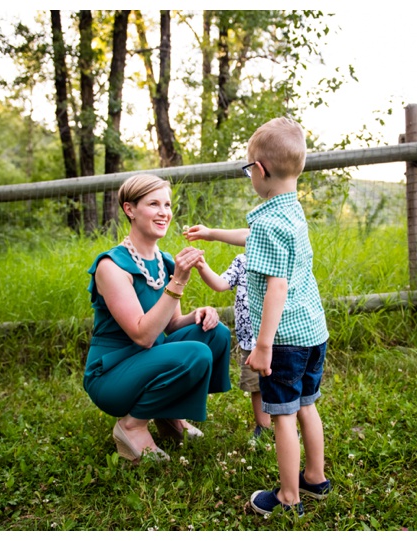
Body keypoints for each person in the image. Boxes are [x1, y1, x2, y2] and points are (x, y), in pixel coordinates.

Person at [83, 174, 232, 464]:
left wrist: (197, 315)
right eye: (153, 204)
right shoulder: (111, 266)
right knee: (195, 352)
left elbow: (171, 325)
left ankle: (168, 413)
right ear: (130, 209)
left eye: (167, 204)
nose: (164, 212)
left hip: (148, 359)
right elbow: (143, 335)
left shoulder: (163, 260)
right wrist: (178, 282)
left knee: (215, 334)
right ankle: (132, 425)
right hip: (113, 374)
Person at [241, 117, 332, 516]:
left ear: (259, 170)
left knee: (282, 417)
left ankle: (288, 496)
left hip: (284, 341)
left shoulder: (266, 222)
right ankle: (315, 477)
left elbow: (276, 285)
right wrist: (212, 233)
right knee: (307, 406)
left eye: (248, 169)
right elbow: (256, 241)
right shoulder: (291, 212)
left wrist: (263, 346)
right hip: (313, 331)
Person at [184, 225, 272, 441]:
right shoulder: (242, 262)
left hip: (278, 338)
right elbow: (221, 284)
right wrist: (203, 267)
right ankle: (264, 428)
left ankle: (286, 425)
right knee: (256, 385)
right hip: (249, 340)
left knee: (281, 383)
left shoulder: (277, 261)